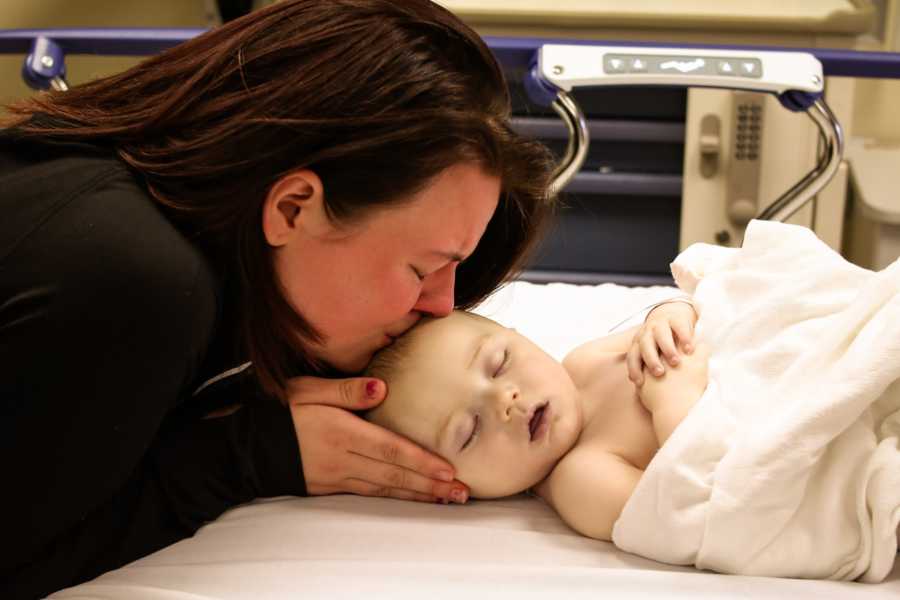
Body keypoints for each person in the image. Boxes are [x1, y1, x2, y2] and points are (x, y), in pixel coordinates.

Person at [0, 1, 558, 597]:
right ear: (293, 208)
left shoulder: (175, 232)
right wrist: (249, 454)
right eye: (424, 268)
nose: (442, 305)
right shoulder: (137, 282)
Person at [364, 299, 705, 539]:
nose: (503, 400)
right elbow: (690, 511)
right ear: (457, 486)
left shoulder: (586, 359)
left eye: (499, 362)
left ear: (519, 335)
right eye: (469, 431)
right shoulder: (580, 481)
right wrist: (675, 404)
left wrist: (670, 313)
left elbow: (700, 312)